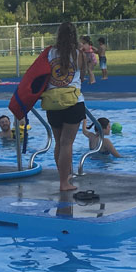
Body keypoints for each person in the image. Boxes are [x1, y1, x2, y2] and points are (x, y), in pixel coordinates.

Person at [40, 22, 86, 192]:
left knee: (59, 143)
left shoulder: (49, 53)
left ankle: (63, 178)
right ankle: (64, 182)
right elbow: (81, 77)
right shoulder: (78, 54)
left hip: (53, 103)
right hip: (73, 102)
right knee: (67, 144)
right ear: (74, 35)